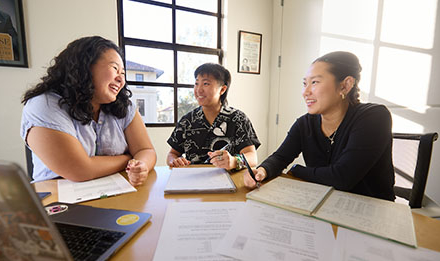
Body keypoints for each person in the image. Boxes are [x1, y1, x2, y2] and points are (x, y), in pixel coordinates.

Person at [244, 51, 395, 201]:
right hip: (323, 204)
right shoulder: (305, 123)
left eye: (315, 82)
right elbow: (280, 157)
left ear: (345, 85)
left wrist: (298, 170)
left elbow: (342, 178)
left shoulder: (374, 117)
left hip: (371, 210)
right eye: (305, 84)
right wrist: (262, 171)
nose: (305, 92)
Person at [20, 36, 156, 186]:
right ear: (84, 67)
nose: (121, 79)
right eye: (115, 68)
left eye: (123, 73)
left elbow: (146, 150)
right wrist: (128, 159)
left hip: (116, 192)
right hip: (59, 199)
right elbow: (79, 170)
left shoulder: (124, 106)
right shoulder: (44, 105)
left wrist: (141, 165)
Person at [167, 63, 260, 171]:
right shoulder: (187, 121)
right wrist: (174, 161)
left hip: (230, 180)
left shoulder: (238, 118)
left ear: (222, 90)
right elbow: (172, 154)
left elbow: (252, 157)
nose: (199, 89)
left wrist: (234, 161)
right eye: (196, 83)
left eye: (206, 84)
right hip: (194, 181)